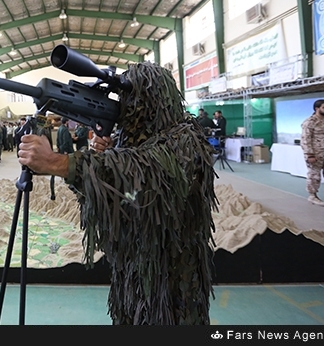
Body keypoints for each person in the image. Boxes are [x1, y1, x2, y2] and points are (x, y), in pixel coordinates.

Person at [17, 59, 217, 324]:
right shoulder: (128, 145)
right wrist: (100, 158)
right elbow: (124, 200)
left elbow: (145, 176)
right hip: (132, 277)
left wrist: (60, 162)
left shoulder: (186, 140)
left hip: (175, 285)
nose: (127, 106)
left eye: (134, 98)